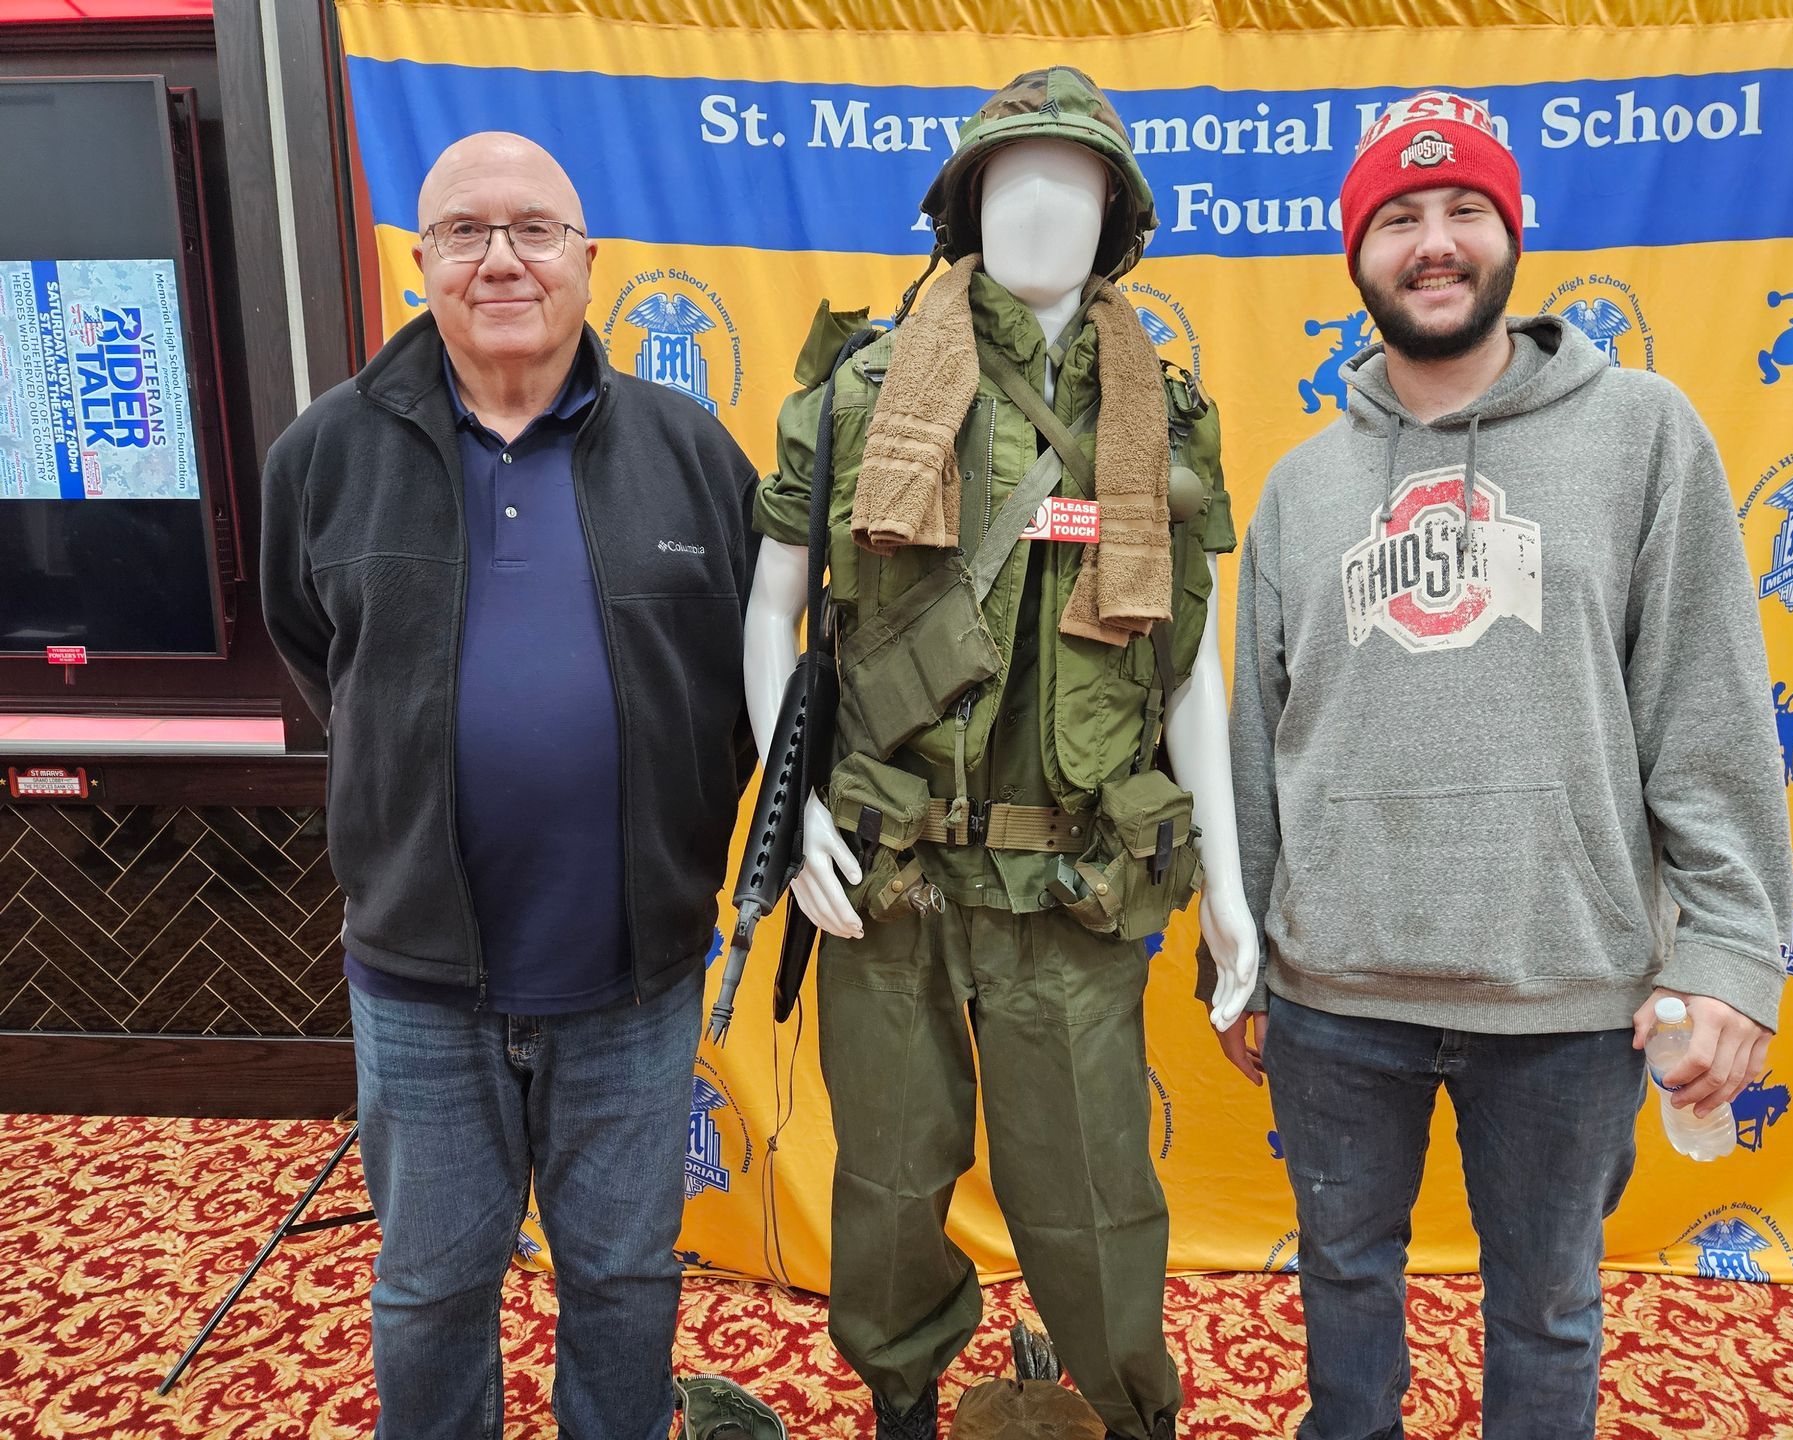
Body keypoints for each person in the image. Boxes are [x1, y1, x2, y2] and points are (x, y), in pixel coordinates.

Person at [1217, 92, 1792, 1440]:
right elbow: (1258, 735)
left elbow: (1707, 709)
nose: (1433, 241)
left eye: (1462, 209)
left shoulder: (1645, 433)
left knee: (1546, 1312)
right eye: (1399, 218)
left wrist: (1728, 952)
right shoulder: (1302, 485)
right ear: (1356, 255)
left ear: (1511, 232)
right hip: (1334, 989)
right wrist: (1235, 949)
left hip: (1564, 986)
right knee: (1342, 1291)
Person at [743, 68, 1261, 1440]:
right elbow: (772, 613)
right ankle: (903, 1402)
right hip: (889, 875)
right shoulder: (855, 394)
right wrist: (790, 821)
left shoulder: (1166, 415)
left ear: (1119, 219)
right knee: (892, 1189)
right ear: (964, 213)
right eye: (1012, 183)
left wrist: (1232, 886)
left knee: (1093, 1201)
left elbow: (1192, 663)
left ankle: (1124, 1412)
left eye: (1076, 186)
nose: (1043, 212)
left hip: (1074, 884)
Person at [259, 132, 759, 1440]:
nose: (500, 258)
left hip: (635, 979)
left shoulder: (691, 451)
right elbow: (320, 657)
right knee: (429, 1289)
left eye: (532, 229)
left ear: (587, 260)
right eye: (463, 233)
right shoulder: (323, 456)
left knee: (627, 1278)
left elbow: (744, 683)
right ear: (418, 261)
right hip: (423, 985)